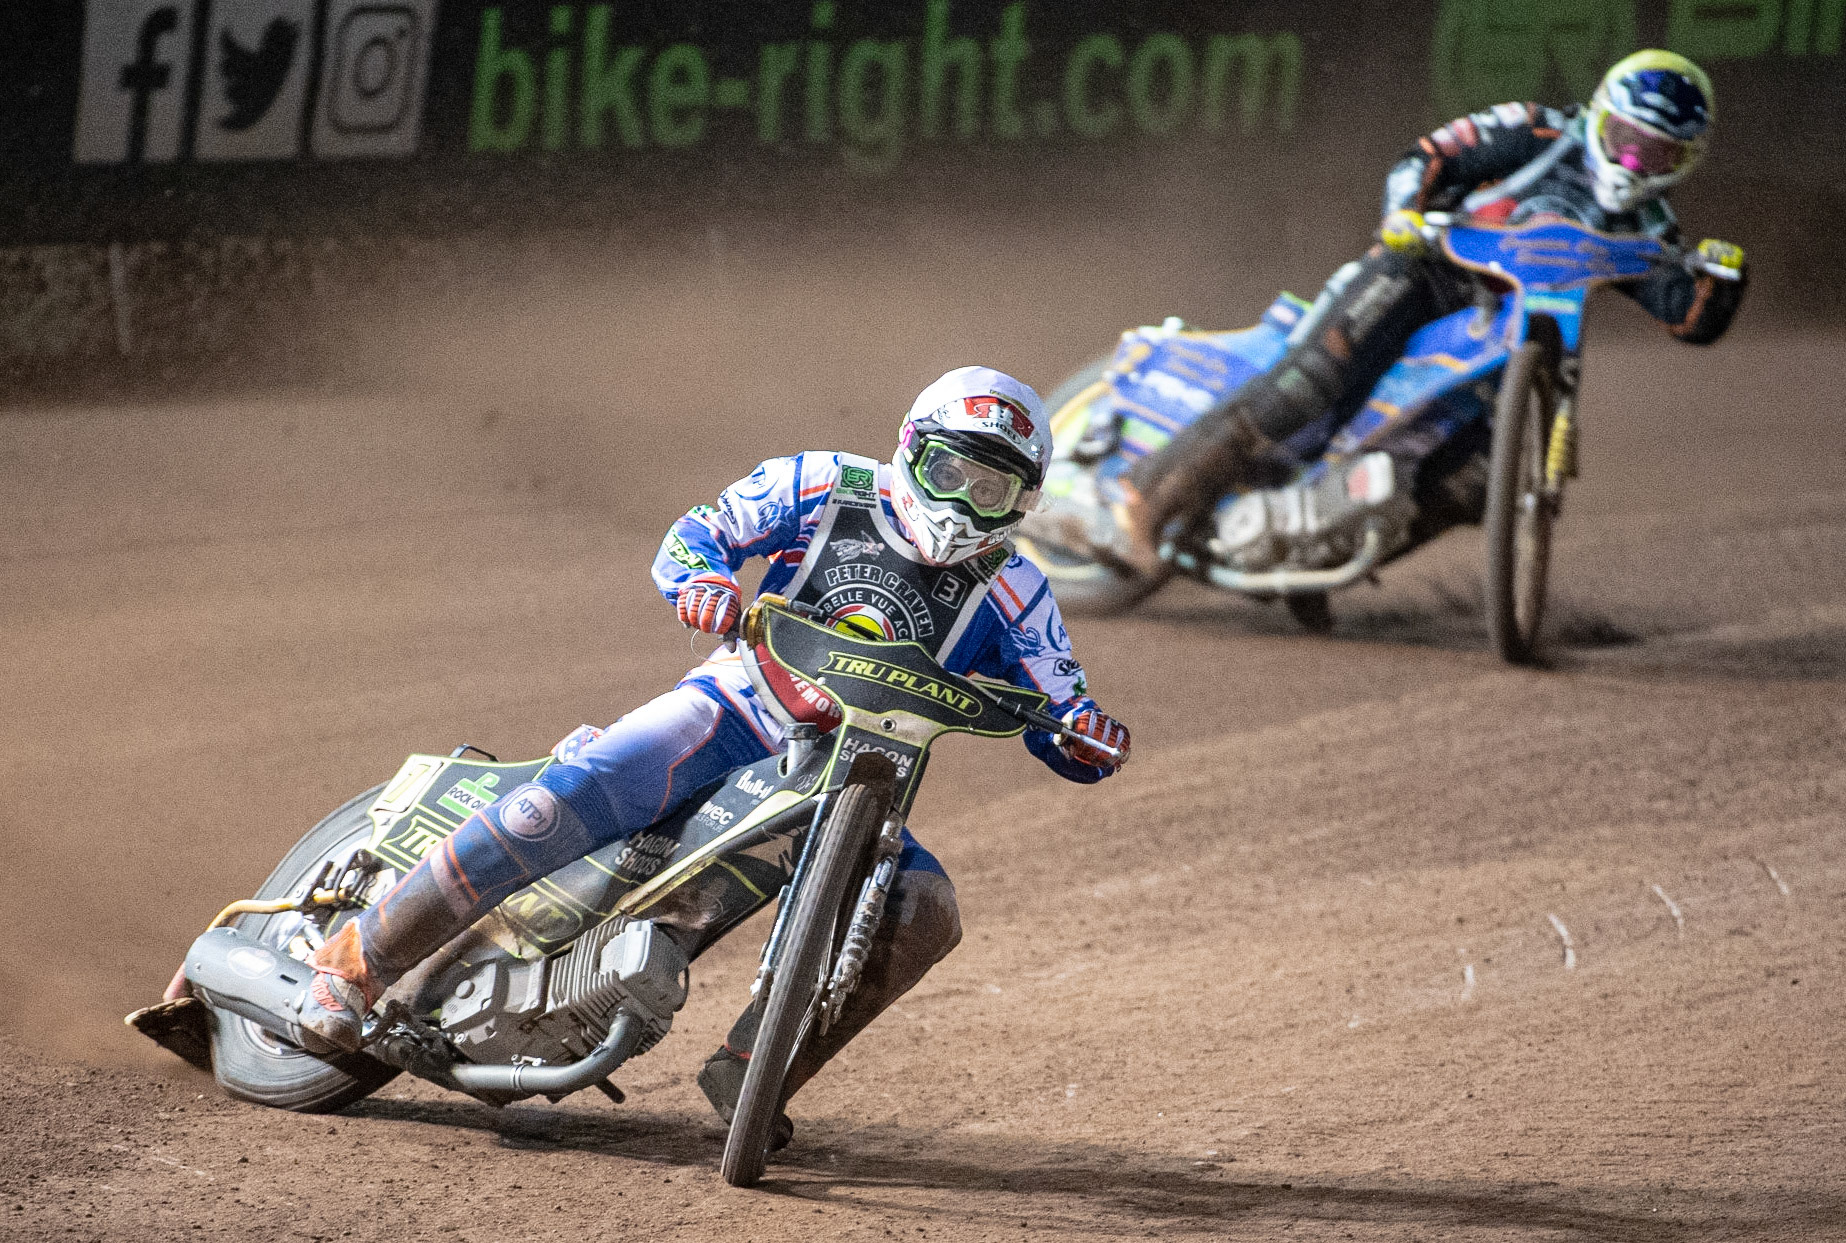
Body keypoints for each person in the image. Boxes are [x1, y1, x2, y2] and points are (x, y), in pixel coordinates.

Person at [294, 366, 1132, 1145]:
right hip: (732, 709)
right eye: (950, 473)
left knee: (926, 911)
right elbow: (702, 531)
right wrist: (702, 577)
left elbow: (1062, 708)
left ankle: (753, 1072)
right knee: (562, 800)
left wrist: (1088, 734)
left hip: (862, 777)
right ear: (912, 448)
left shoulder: (1018, 589)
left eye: (990, 490)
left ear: (1022, 502)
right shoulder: (824, 483)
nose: (962, 504)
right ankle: (352, 965)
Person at [1117, 49, 1748, 568]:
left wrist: (1724, 280)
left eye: (1657, 154)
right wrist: (1404, 215)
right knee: (1313, 381)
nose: (1634, 162)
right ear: (1601, 116)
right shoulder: (1537, 131)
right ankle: (1152, 493)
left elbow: (1688, 319)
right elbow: (1431, 154)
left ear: (1685, 161)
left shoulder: (1651, 227)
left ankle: (1321, 555)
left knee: (1473, 481)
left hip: (1512, 344)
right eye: (1627, 140)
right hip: (1423, 275)